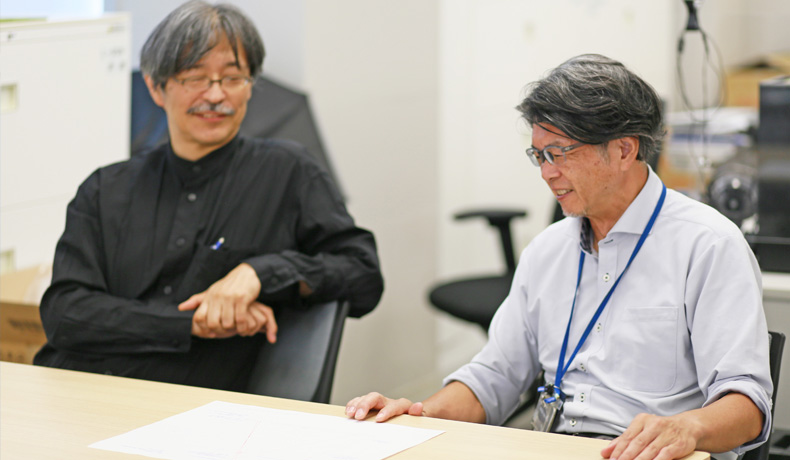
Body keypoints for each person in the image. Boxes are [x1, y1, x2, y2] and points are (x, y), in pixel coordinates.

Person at [345, 54, 771, 460]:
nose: (547, 173)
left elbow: (748, 406)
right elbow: (494, 376)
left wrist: (688, 427)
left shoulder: (708, 245)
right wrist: (418, 416)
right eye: (539, 155)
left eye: (560, 153)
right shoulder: (548, 251)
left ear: (624, 150)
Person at [34, 0, 384, 392]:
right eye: (195, 77)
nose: (216, 95)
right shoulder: (105, 189)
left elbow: (363, 276)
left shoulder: (289, 172)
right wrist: (191, 323)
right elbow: (64, 313)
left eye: (233, 78)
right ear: (156, 87)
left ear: (250, 86)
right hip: (80, 389)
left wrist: (261, 273)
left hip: (195, 404)